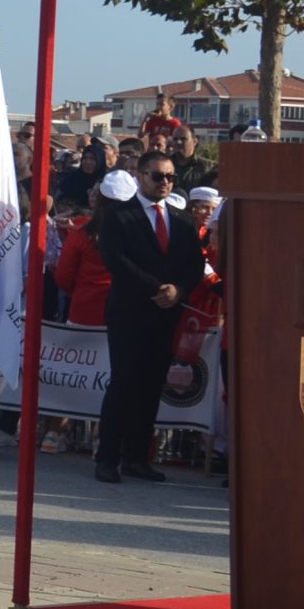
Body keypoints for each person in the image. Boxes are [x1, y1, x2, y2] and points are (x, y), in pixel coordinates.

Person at [91, 152, 203, 486]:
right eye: (157, 176)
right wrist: (156, 287)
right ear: (140, 176)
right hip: (130, 311)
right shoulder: (118, 216)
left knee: (151, 385)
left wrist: (178, 291)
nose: (165, 182)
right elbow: (115, 260)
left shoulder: (182, 219)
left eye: (170, 177)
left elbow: (195, 263)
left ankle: (137, 457)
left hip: (166, 313)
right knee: (124, 383)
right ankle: (108, 457)